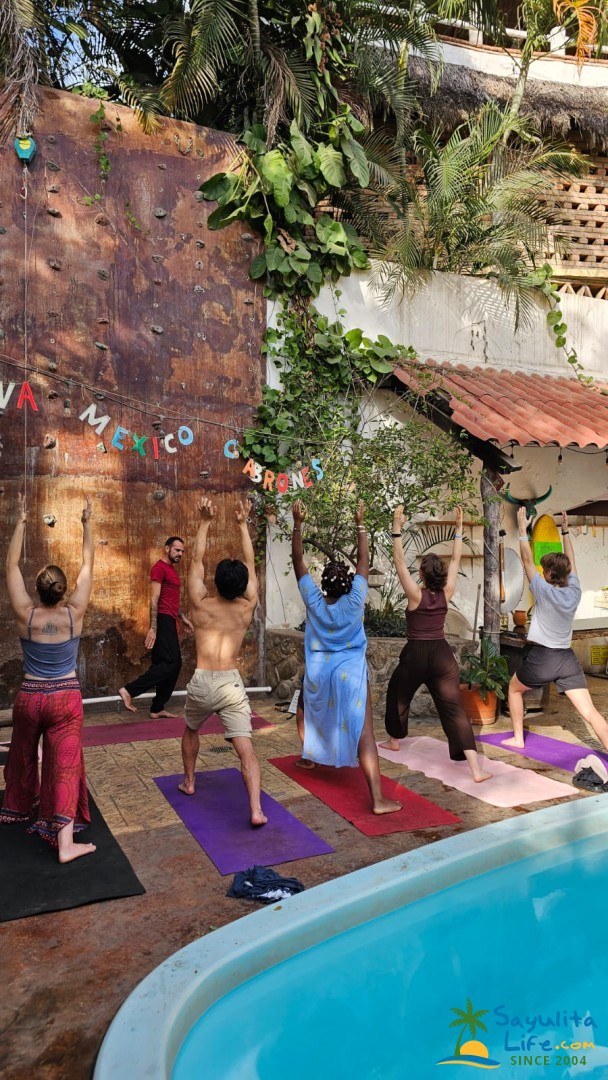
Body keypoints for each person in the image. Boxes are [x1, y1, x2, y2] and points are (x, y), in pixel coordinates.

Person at [1, 493, 96, 863]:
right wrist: (87, 524)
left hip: (29, 697)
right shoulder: (74, 614)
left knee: (23, 754)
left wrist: (22, 520)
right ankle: (66, 844)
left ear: (38, 588)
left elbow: (10, 566)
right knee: (64, 767)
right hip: (65, 700)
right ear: (62, 590)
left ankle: (18, 807)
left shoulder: (26, 615)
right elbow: (88, 564)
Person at [291, 499, 401, 815]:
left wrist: (298, 523)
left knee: (305, 709)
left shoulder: (314, 600)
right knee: (365, 733)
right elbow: (364, 560)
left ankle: (309, 756)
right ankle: (378, 799)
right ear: (350, 583)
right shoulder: (355, 601)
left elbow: (298, 559)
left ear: (323, 584)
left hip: (318, 672)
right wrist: (360, 523)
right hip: (351, 673)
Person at [380, 505, 492, 783]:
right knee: (454, 709)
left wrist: (397, 526)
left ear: (421, 574)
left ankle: (394, 740)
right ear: (440, 575)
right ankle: (476, 769)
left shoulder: (415, 594)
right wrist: (459, 529)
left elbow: (399, 562)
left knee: (398, 693)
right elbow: (455, 560)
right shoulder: (447, 591)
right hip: (442, 656)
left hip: (416, 655)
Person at [179, 496, 267, 827]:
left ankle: (189, 782)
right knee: (246, 749)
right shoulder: (246, 607)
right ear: (243, 585)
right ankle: (256, 810)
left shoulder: (200, 604)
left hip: (203, 680)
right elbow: (250, 562)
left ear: (215, 582)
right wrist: (243, 524)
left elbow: (196, 561)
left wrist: (205, 521)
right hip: (230, 683)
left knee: (191, 729)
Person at [504, 507, 608, 751]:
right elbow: (572, 562)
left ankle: (518, 739)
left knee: (514, 689)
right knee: (589, 711)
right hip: (566, 659)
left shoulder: (543, 590)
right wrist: (565, 532)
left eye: (545, 570)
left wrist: (522, 530)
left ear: (549, 574)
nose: (542, 572)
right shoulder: (575, 591)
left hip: (543, 657)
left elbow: (526, 560)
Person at [118, 536, 193, 717]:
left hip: (171, 619)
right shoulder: (159, 568)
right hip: (163, 619)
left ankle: (157, 708)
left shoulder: (171, 570)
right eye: (177, 550)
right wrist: (154, 627)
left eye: (182, 551)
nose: (180, 554)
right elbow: (154, 598)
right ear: (167, 548)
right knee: (171, 663)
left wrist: (182, 618)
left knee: (167, 664)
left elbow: (171, 599)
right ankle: (129, 690)